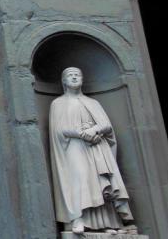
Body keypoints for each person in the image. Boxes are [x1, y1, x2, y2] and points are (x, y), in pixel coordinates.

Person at [49, 67, 136, 234]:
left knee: (100, 181)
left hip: (97, 145)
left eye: (77, 75)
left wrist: (95, 131)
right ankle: (77, 218)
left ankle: (107, 222)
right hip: (74, 145)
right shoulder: (58, 103)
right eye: (70, 75)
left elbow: (106, 125)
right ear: (64, 81)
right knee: (80, 178)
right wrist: (82, 134)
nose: (74, 78)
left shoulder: (93, 103)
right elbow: (58, 130)